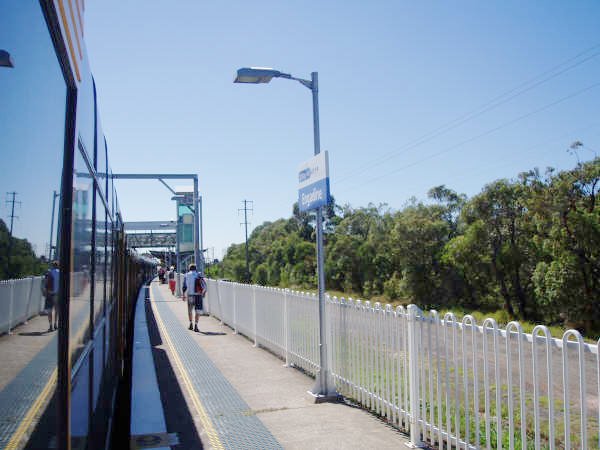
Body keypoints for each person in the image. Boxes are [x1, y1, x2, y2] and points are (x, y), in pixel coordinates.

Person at [183, 264, 206, 332]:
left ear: (189, 269)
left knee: (190, 311)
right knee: (197, 311)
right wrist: (203, 293)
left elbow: (184, 286)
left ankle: (190, 324)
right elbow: (204, 285)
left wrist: (184, 295)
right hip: (198, 295)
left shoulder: (186, 275)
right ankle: (196, 326)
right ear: (195, 269)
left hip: (190, 295)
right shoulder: (198, 275)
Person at [43, 260, 60, 332]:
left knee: (50, 311)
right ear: (58, 265)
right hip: (57, 294)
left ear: (52, 266)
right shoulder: (60, 273)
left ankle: (50, 326)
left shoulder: (49, 273)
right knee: (56, 310)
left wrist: (45, 292)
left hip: (50, 294)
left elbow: (45, 284)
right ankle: (56, 324)